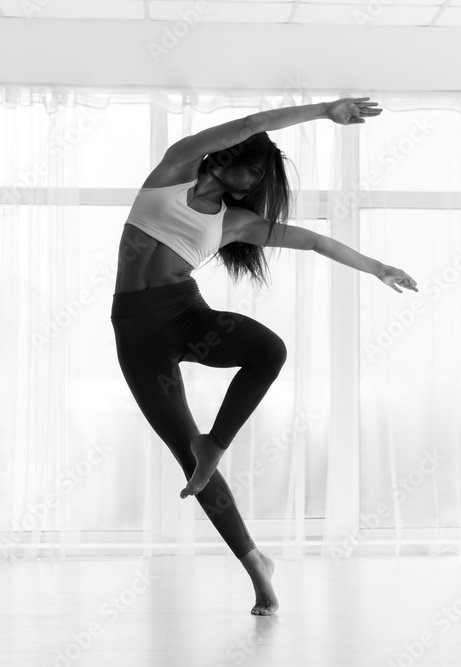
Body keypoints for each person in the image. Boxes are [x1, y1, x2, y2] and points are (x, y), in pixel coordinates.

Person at [110, 97, 418, 615]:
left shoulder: (238, 222)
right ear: (222, 157)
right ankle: (256, 562)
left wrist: (377, 266)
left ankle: (216, 443)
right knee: (190, 464)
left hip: (186, 316)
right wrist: (327, 111)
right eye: (252, 170)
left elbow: (315, 242)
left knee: (268, 349)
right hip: (136, 330)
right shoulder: (175, 168)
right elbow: (256, 123)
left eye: (261, 178)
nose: (254, 182)